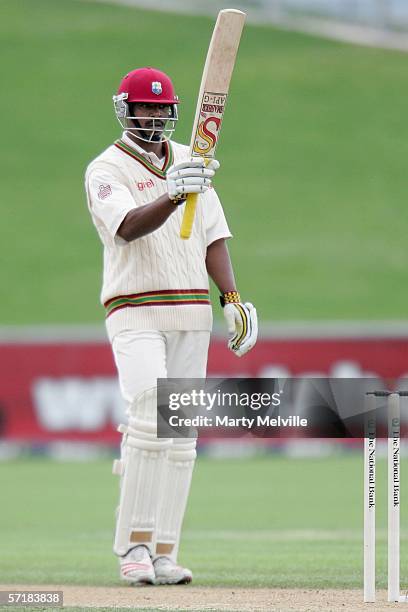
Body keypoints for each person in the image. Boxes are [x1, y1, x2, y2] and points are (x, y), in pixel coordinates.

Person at [85, 67, 258, 586]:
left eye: (163, 108)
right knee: (147, 418)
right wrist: (173, 196)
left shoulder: (191, 160)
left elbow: (214, 235)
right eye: (147, 108)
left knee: (180, 435)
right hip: (135, 310)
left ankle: (164, 550)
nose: (156, 115)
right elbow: (128, 227)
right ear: (127, 110)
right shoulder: (105, 169)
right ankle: (132, 548)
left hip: (191, 312)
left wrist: (232, 298)